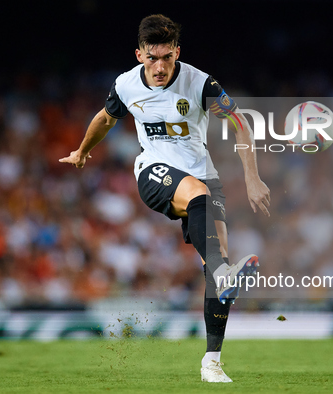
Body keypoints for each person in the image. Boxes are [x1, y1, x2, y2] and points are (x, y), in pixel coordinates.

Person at [59, 14, 270, 383]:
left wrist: (252, 178)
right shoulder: (126, 85)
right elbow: (106, 119)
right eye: (152, 58)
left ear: (177, 53)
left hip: (203, 173)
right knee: (208, 225)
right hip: (154, 171)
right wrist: (81, 151)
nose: (159, 67)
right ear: (139, 54)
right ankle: (223, 274)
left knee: (215, 257)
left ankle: (212, 363)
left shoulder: (200, 83)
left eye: (167, 58)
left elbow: (239, 123)